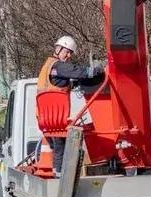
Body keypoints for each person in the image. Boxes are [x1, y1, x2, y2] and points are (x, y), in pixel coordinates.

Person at [36, 35, 104, 175]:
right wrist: (98, 69)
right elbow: (79, 72)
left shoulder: (48, 66)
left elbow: (59, 84)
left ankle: (58, 174)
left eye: (70, 53)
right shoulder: (59, 66)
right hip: (55, 119)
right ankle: (61, 178)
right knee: (63, 148)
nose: (68, 56)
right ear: (58, 49)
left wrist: (73, 84)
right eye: (66, 52)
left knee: (58, 149)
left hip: (44, 119)